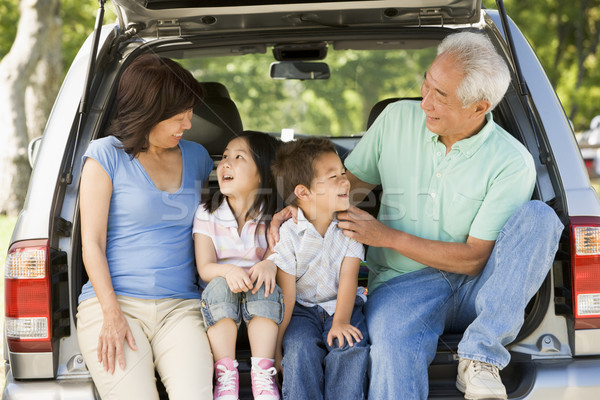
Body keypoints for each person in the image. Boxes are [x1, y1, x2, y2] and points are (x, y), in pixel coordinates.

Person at [270, 32, 564, 400]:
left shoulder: (512, 161)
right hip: (401, 286)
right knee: (391, 351)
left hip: (484, 288)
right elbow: (348, 188)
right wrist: (297, 210)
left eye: (441, 96)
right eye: (426, 84)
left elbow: (474, 260)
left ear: (479, 107)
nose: (424, 102)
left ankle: (481, 356)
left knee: (541, 217)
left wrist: (385, 236)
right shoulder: (396, 120)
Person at [77, 54, 214, 399]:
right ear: (149, 110)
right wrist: (111, 315)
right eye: (179, 116)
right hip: (113, 304)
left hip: (180, 308)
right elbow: (91, 243)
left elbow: (230, 212)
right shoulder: (105, 155)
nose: (188, 124)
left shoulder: (197, 156)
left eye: (190, 114)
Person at [269, 138, 369, 400]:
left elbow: (349, 279)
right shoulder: (289, 235)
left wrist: (341, 322)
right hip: (301, 310)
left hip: (344, 306)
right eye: (333, 176)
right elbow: (287, 297)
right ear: (303, 193)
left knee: (349, 346)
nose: (345, 181)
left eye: (343, 173)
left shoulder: (350, 228)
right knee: (299, 350)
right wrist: (277, 349)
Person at [193, 131, 283, 400]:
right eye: (224, 157)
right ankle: (225, 374)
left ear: (263, 175)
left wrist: (269, 263)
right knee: (220, 285)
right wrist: (228, 271)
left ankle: (262, 374)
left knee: (264, 283)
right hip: (219, 308)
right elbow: (205, 267)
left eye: (238, 157)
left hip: (260, 309)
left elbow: (279, 253)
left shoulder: (273, 216)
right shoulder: (207, 214)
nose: (226, 163)